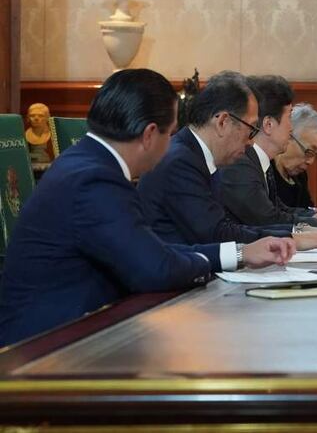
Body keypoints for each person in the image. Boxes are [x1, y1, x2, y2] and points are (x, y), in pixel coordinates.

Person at [0, 69, 295, 347]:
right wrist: (230, 257)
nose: (172, 144)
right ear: (150, 134)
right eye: (170, 134)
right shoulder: (94, 179)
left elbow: (150, 250)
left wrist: (240, 253)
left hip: (76, 328)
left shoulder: (87, 163)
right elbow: (155, 267)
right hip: (46, 345)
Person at [138, 71, 317, 253]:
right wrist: (295, 237)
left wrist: (300, 234)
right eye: (251, 129)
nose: (251, 142)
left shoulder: (197, 155)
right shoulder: (181, 162)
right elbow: (217, 234)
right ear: (223, 122)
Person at [216, 76, 317, 230]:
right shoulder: (240, 164)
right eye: (289, 117)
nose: (291, 128)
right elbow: (266, 220)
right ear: (268, 124)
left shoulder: (259, 161)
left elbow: (279, 209)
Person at [273, 103, 317, 209]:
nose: (311, 162)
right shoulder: (263, 170)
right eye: (309, 152)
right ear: (288, 137)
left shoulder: (300, 176)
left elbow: (306, 210)